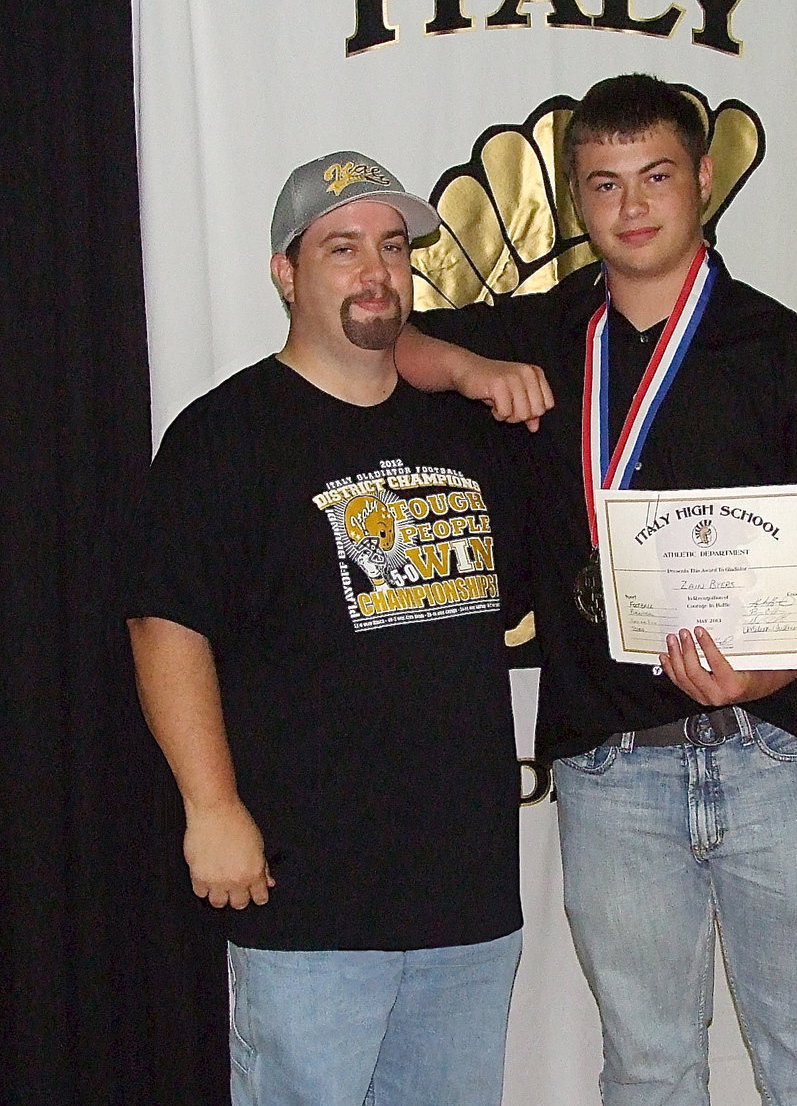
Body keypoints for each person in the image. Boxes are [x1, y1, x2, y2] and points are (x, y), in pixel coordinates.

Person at [395, 74, 797, 1106]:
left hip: (777, 751)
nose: (630, 207)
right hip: (611, 765)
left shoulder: (792, 355)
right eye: (604, 183)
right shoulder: (539, 336)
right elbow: (391, 344)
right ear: (576, 203)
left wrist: (764, 672)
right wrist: (468, 369)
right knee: (649, 1067)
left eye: (655, 176)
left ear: (702, 181)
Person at [126, 151, 528, 1106]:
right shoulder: (224, 435)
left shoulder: (464, 432)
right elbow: (162, 623)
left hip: (467, 902)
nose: (374, 271)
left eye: (392, 246)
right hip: (308, 903)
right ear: (285, 273)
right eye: (341, 248)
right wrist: (212, 808)